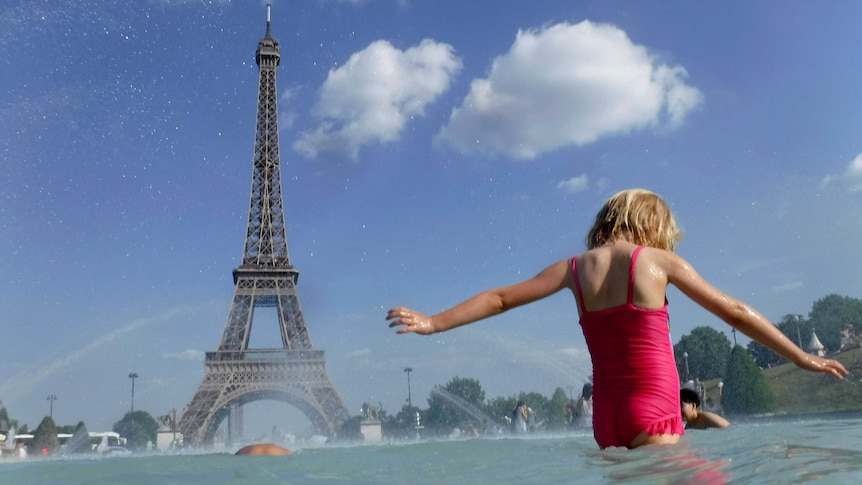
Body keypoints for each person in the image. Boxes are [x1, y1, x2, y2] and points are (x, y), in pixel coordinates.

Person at [386, 188, 847, 450]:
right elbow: (737, 313)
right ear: (653, 227)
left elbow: (501, 298)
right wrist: (802, 356)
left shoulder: (574, 268)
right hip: (654, 412)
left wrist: (434, 322)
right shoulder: (658, 262)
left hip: (605, 419)